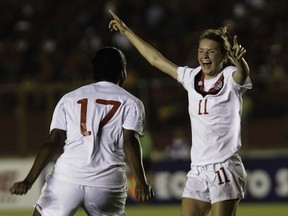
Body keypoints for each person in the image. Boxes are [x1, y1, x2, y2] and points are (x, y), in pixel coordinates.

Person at [109, 10, 252, 216]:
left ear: (223, 55)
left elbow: (242, 74)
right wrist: (126, 32)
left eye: (211, 51)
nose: (204, 55)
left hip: (224, 167)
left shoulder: (229, 77)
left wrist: (239, 61)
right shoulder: (191, 77)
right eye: (201, 50)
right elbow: (155, 59)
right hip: (198, 169)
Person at [9, 46, 154, 216]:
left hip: (68, 178)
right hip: (107, 182)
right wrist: (140, 182)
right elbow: (130, 141)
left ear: (94, 71)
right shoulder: (132, 102)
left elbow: (53, 142)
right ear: (123, 72)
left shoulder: (69, 98)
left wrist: (28, 181)